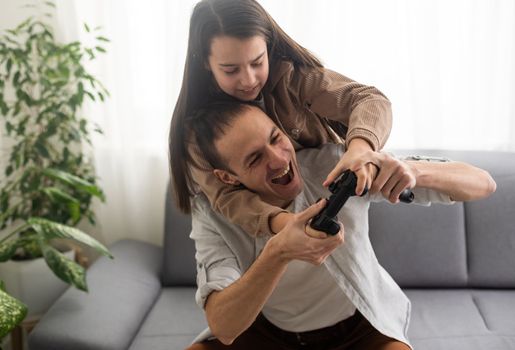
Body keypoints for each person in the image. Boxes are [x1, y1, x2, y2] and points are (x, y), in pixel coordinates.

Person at [183, 102, 497, 349]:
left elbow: (483, 184)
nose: (278, 159)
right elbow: (224, 327)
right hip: (267, 333)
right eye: (254, 158)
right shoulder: (211, 213)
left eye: (276, 138)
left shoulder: (333, 163)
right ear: (226, 177)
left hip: (360, 329)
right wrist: (278, 252)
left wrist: (408, 172)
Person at [170, 0, 404, 238]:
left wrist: (361, 149)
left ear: (268, 47)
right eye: (231, 70)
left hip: (333, 192)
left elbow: (369, 101)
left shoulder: (293, 79)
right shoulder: (198, 132)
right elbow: (227, 198)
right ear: (205, 63)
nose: (249, 80)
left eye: (257, 62)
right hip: (274, 226)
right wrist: (288, 224)